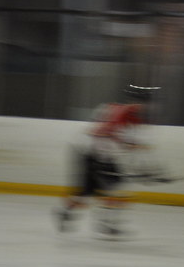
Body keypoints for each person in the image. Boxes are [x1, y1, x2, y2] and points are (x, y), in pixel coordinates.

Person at [54, 84, 164, 239]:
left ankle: (66, 212)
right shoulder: (128, 113)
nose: (149, 108)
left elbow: (116, 137)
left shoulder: (116, 108)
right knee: (116, 188)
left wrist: (142, 160)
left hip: (88, 150)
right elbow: (110, 135)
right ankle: (106, 224)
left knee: (88, 191)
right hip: (96, 153)